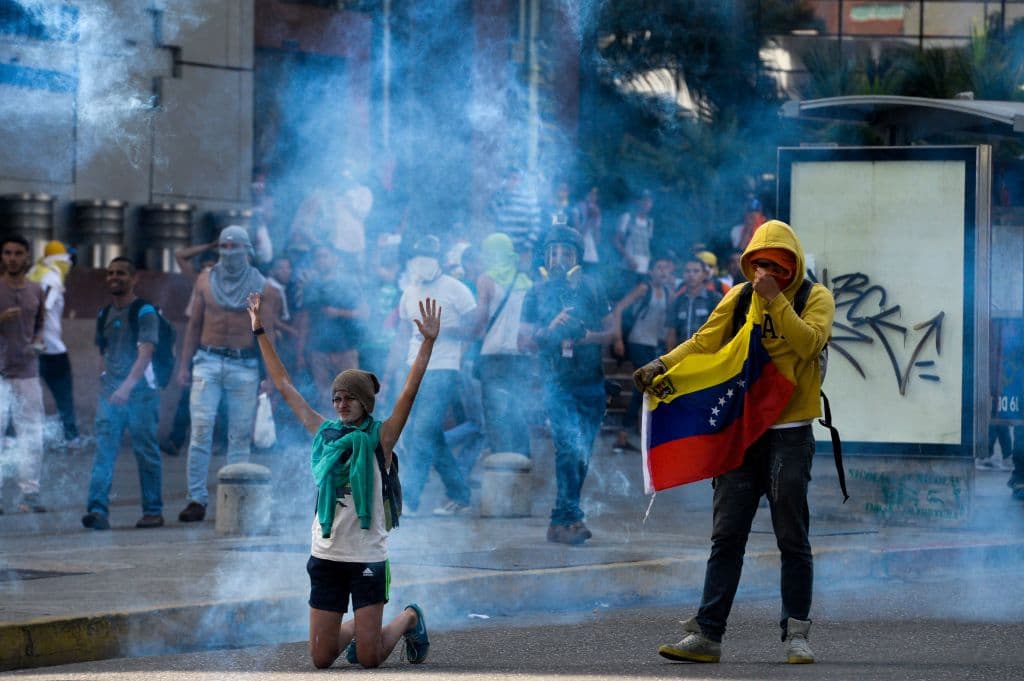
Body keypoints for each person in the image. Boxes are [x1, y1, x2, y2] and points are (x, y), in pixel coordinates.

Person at [634, 220, 835, 664]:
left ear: (793, 267)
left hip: (790, 435)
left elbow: (808, 344)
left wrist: (776, 300)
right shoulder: (740, 295)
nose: (765, 274)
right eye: (757, 266)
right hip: (742, 433)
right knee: (726, 537)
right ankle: (708, 634)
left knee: (792, 537)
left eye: (776, 268)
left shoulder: (813, 297)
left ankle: (796, 635)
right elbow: (705, 341)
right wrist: (660, 365)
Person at [246, 290, 437, 669]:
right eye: (336, 397)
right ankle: (362, 630)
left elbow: (409, 393)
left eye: (350, 397)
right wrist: (259, 331)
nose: (341, 403)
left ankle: (409, 617)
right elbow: (285, 385)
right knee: (320, 658)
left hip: (367, 555)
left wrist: (427, 342)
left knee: (368, 659)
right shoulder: (324, 433)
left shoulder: (381, 437)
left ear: (365, 402)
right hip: (327, 554)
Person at [173, 225, 282, 522]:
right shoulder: (205, 281)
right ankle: (196, 499)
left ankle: (236, 500)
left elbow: (266, 334)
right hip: (207, 361)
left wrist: (271, 377)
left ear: (247, 249)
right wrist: (184, 365)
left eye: (235, 246)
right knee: (200, 432)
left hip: (244, 365)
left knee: (238, 436)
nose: (230, 251)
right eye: (225, 246)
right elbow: (194, 325)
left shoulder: (263, 287)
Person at [520, 226, 614, 544]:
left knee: (582, 452)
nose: (560, 258)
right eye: (554, 252)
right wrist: (549, 328)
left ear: (578, 256)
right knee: (567, 448)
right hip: (556, 382)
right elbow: (524, 341)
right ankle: (568, 517)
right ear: (546, 256)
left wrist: (588, 336)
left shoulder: (593, 286)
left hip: (591, 381)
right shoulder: (535, 291)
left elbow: (612, 333)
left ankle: (562, 521)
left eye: (567, 252)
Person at [390, 235, 476, 516]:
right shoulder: (409, 291)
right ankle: (460, 494)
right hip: (413, 368)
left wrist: (441, 331)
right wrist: (393, 371)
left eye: (427, 257)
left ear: (438, 260)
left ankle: (409, 499)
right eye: (417, 258)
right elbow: (403, 333)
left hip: (443, 368)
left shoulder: (457, 289)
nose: (422, 264)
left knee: (422, 432)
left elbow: (474, 329)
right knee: (429, 434)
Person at [82, 257, 164, 530]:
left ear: (133, 278)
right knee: (103, 453)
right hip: (112, 395)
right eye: (110, 273)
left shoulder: (144, 311)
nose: (114, 277)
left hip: (140, 395)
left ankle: (153, 511)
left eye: (120, 273)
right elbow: (103, 352)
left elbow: (146, 351)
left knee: (146, 452)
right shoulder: (104, 313)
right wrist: (105, 384)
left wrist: (127, 387)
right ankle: (97, 511)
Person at [472, 232, 533, 461]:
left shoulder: (486, 279)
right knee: (517, 407)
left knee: (495, 410)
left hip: (493, 354)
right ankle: (522, 459)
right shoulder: (526, 282)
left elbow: (480, 319)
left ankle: (501, 461)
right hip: (520, 355)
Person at [0, 234, 46, 514]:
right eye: (7, 253)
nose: (12, 258)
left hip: (27, 373)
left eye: (18, 253)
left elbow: (41, 325)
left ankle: (29, 493)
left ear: (27, 257)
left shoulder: (37, 289)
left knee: (33, 434)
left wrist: (39, 344)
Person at [610, 255, 675, 453]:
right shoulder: (643, 288)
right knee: (644, 385)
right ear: (651, 272)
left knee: (645, 388)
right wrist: (618, 338)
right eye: (659, 268)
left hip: (654, 344)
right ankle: (625, 433)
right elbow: (619, 309)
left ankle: (629, 433)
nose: (663, 272)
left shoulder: (666, 292)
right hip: (637, 341)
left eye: (666, 268)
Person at [298, 245, 367, 413]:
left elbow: (364, 313)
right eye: (318, 257)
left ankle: (352, 436)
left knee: (351, 396)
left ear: (334, 259)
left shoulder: (348, 283)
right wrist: (300, 353)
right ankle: (332, 436)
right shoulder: (311, 286)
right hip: (319, 351)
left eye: (325, 256)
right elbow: (304, 321)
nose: (321, 260)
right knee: (325, 398)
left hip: (346, 350)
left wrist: (339, 313)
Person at [26, 239, 81, 449]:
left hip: (29, 347)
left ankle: (14, 439)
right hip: (50, 349)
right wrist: (37, 339)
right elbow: (43, 308)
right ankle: (71, 438)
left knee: (23, 396)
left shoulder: (34, 274)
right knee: (63, 395)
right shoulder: (52, 277)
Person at [665, 256, 723, 350]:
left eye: (696, 271)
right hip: (681, 355)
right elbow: (671, 332)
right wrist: (670, 359)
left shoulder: (715, 298)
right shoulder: (677, 301)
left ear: (704, 274)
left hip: (706, 354)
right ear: (683, 275)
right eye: (687, 271)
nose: (691, 275)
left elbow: (722, 329)